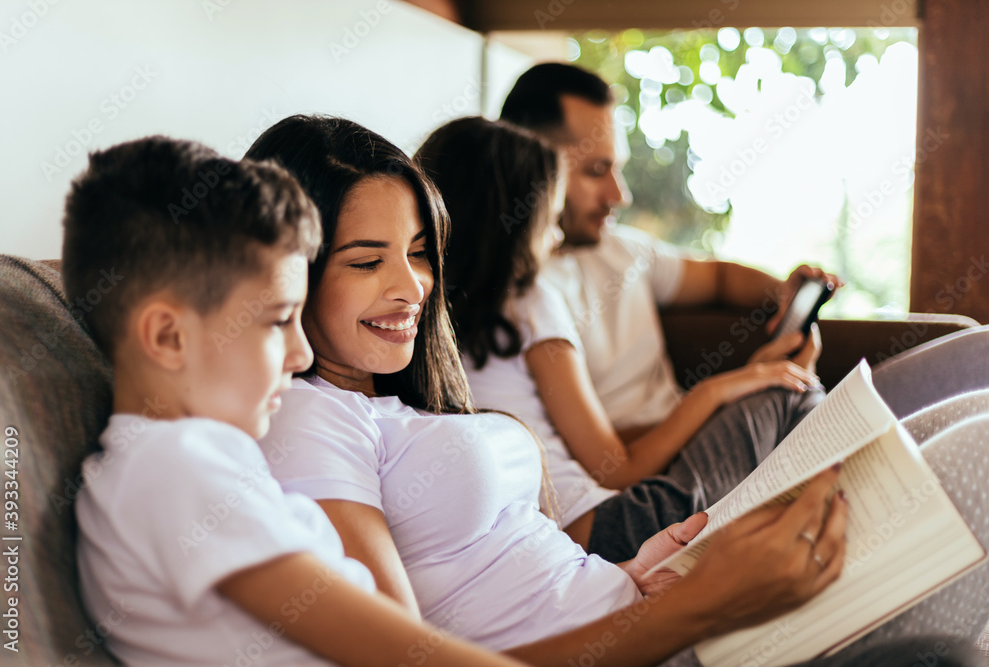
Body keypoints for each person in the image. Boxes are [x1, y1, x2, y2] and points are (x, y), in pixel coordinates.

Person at [248, 114, 989, 665]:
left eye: (417, 252)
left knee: (950, 432)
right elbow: (410, 658)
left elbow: (514, 572)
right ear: (291, 270)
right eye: (365, 260)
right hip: (672, 640)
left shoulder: (395, 405)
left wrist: (632, 573)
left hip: (656, 608)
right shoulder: (310, 418)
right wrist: (702, 603)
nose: (411, 284)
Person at [68, 136, 528, 666]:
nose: (301, 351)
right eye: (278, 320)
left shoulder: (191, 461)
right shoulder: (170, 466)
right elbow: (399, 654)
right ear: (169, 338)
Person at [417, 115, 826, 561]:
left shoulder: (426, 317)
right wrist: (718, 390)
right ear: (512, 227)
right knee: (789, 392)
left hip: (573, 529)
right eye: (550, 220)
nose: (555, 237)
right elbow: (616, 470)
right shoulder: (531, 302)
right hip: (616, 528)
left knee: (773, 391)